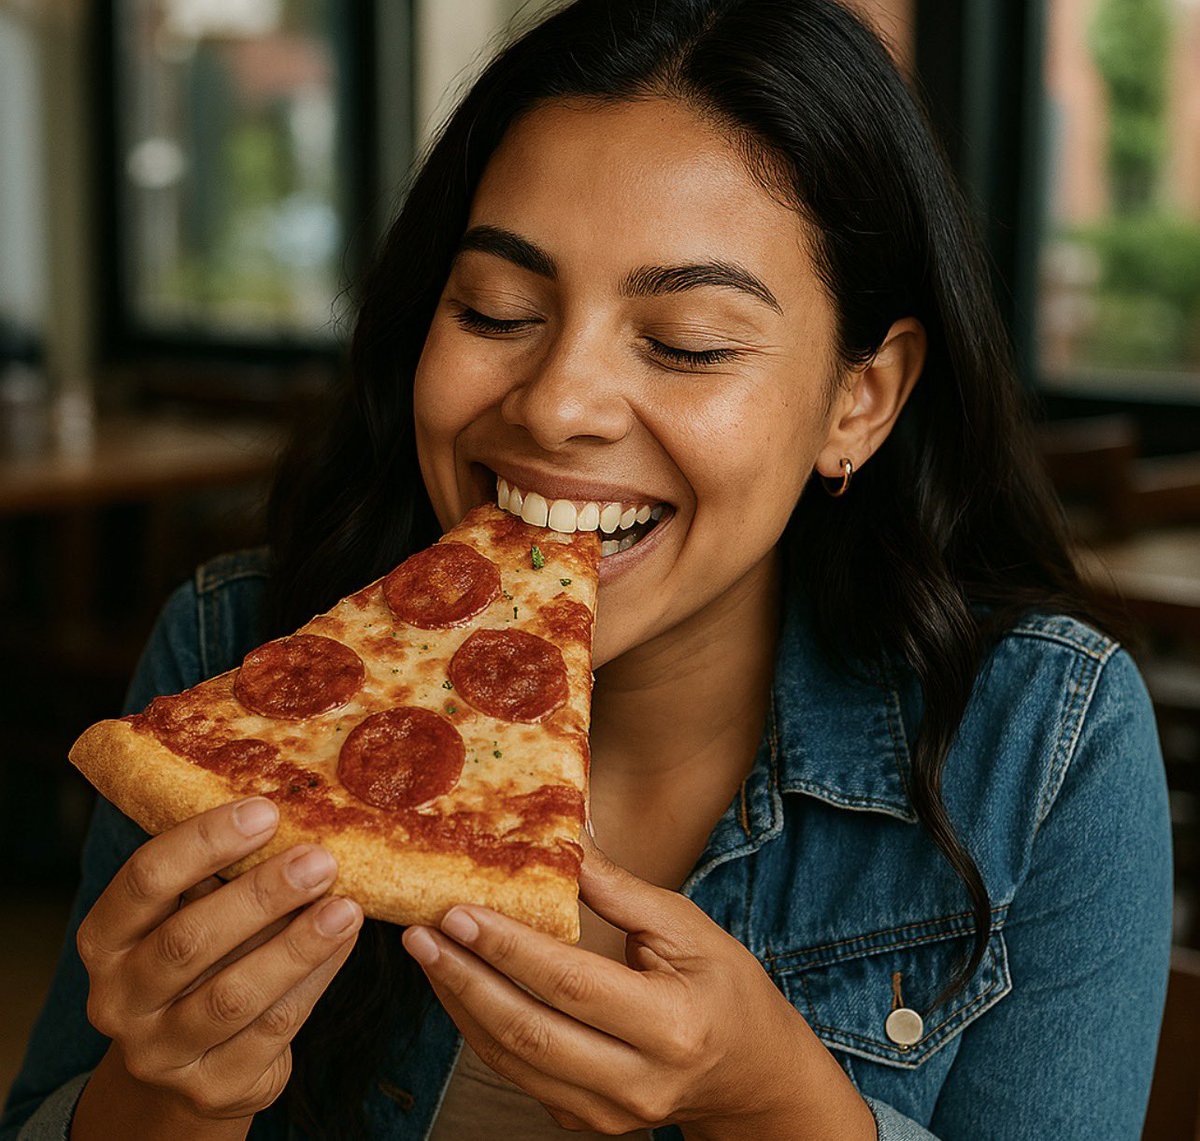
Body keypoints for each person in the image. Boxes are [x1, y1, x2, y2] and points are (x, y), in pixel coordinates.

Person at [2, 1, 1173, 1138]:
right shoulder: (238, 656)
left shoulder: (1040, 745)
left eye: (687, 343)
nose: (557, 404)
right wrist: (168, 1095)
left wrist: (771, 1104)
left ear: (858, 400)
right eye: (496, 308)